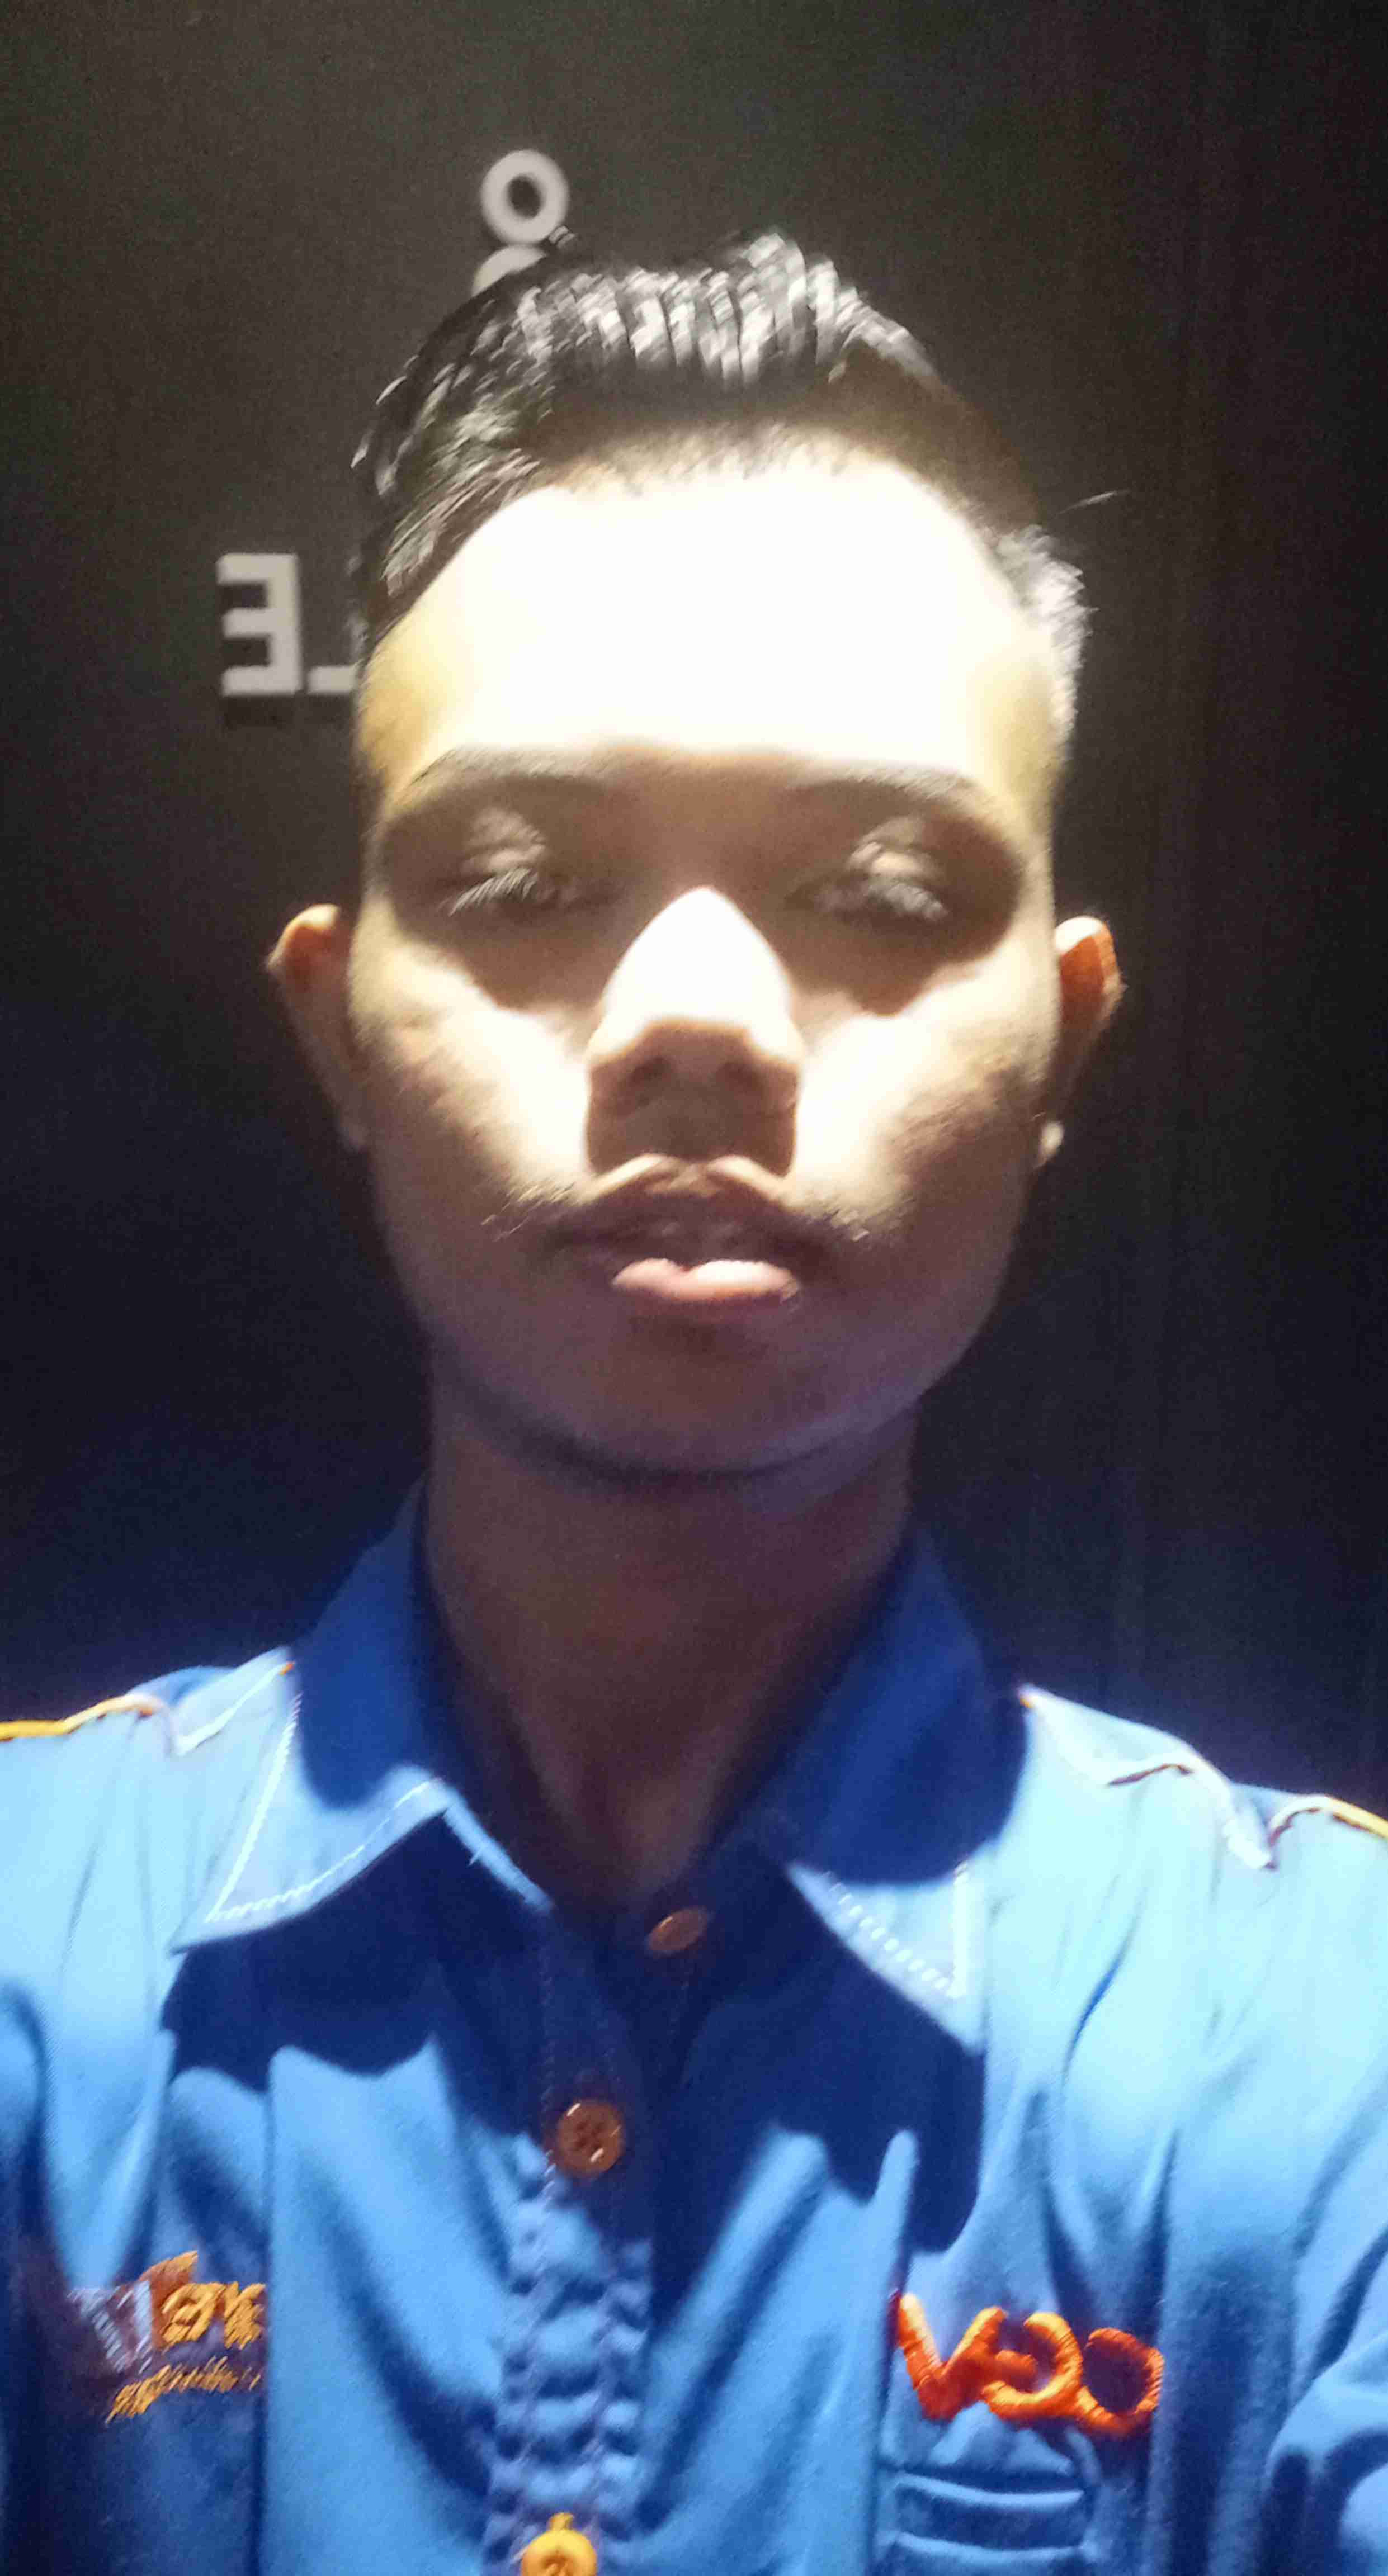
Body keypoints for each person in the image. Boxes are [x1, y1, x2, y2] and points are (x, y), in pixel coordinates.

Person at [2, 228, 1385, 2576]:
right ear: (339, 1030)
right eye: (523, 876)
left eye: (887, 891)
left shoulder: (1325, 2052)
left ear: (1065, 1041)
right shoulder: (35, 1959)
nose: (700, 1016)